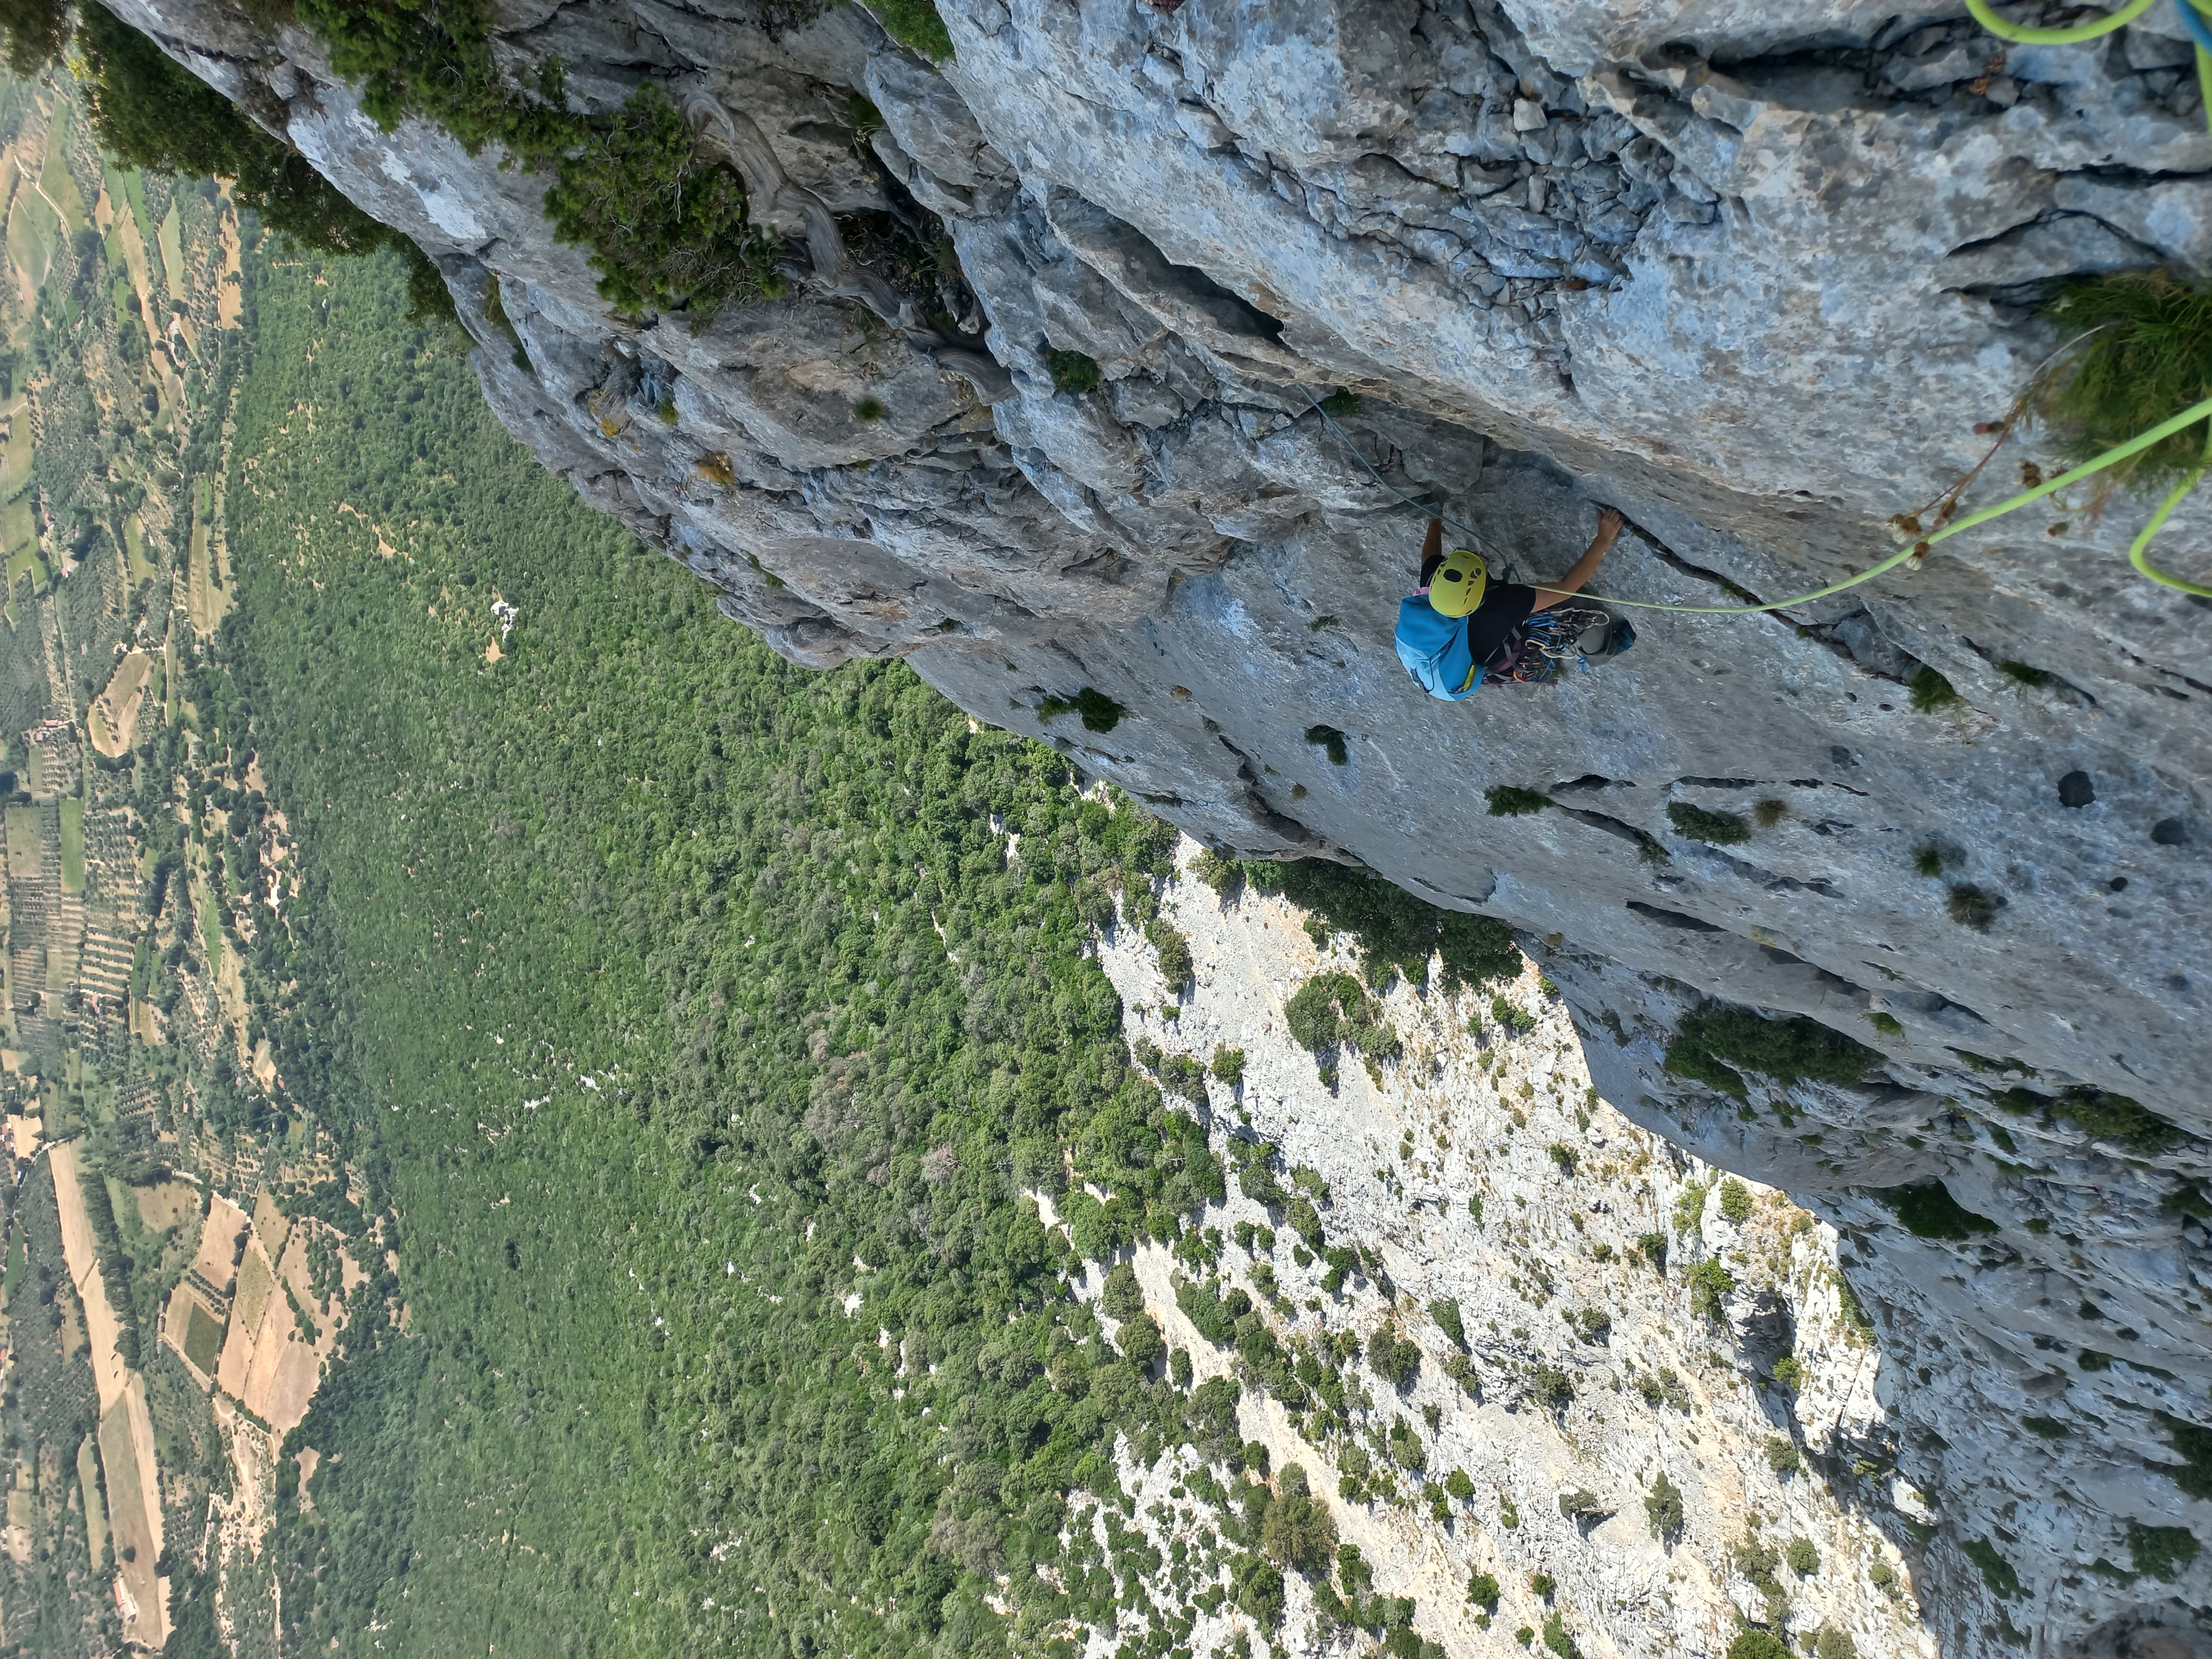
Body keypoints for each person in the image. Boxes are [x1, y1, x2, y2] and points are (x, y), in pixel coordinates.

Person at [1394, 508, 1627, 699]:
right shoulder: (1499, 608)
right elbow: (1567, 588)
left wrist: (1435, 518)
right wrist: (1604, 538)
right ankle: (1601, 653)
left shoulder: (1435, 587)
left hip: (1445, 663)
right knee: (1581, 603)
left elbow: (1430, 557)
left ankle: (1552, 664)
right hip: (1475, 663)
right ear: (1482, 593)